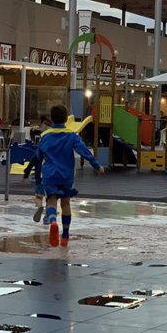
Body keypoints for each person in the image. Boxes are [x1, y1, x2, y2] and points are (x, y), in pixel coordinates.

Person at [36, 104, 105, 248]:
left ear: (51, 119)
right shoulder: (72, 136)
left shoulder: (44, 136)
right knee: (65, 203)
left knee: (51, 201)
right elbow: (84, 151)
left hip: (49, 174)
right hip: (66, 174)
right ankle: (65, 235)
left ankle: (53, 221)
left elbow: (37, 156)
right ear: (67, 119)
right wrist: (96, 165)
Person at [22, 154, 47, 224]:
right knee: (51, 199)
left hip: (40, 180)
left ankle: (40, 207)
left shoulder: (37, 155)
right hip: (51, 180)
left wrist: (25, 176)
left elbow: (30, 166)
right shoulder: (53, 154)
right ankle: (48, 216)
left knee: (38, 196)